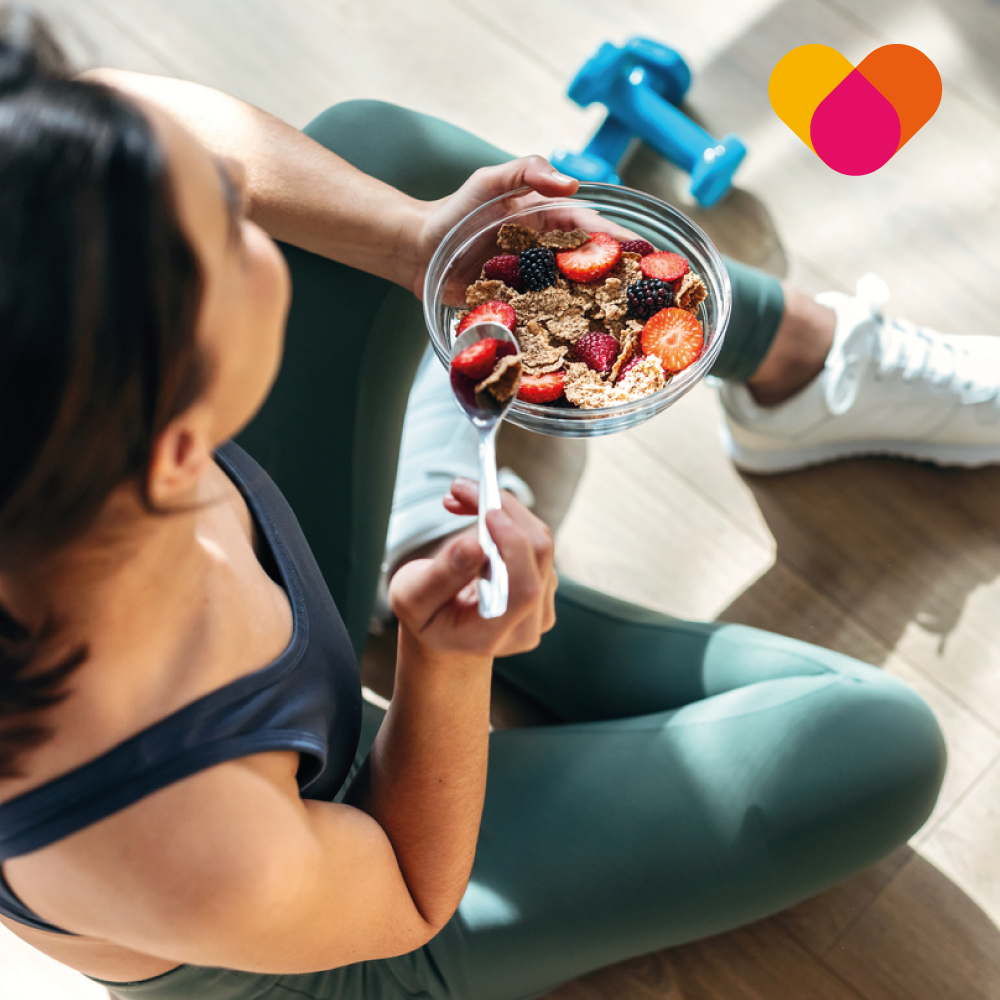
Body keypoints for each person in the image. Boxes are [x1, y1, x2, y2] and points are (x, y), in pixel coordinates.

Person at [0, 10, 946, 1000]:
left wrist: (417, 239)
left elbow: (119, 108)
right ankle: (448, 572)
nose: (239, 206)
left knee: (385, 157)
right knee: (875, 739)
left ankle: (793, 365)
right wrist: (445, 661)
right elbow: (407, 889)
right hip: (342, 903)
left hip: (257, 642)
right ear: (180, 441)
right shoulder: (157, 839)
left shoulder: (70, 448)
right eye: (228, 233)